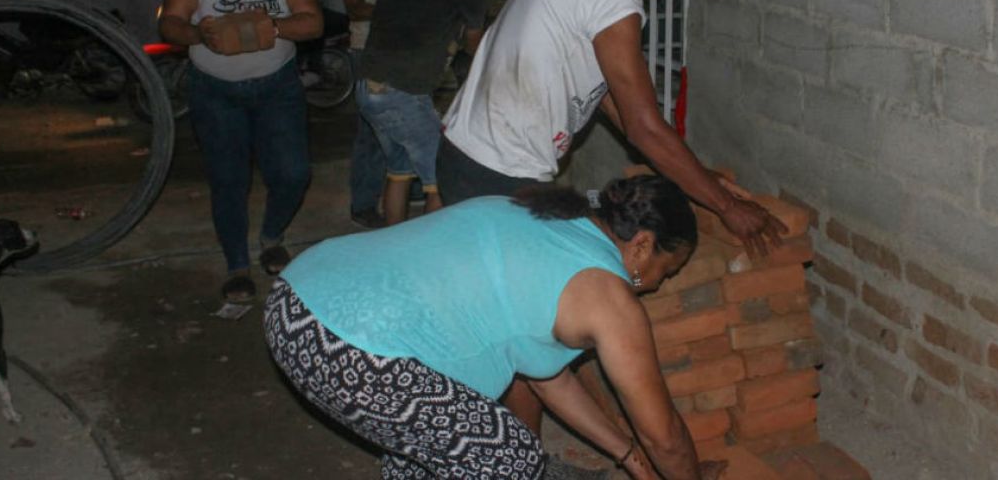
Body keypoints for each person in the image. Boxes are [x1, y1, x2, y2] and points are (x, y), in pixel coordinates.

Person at [438, 0, 785, 430]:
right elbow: (645, 126)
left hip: (470, 153)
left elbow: (615, 103)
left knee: (511, 328)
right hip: (496, 170)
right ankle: (521, 461)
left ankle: (512, 454)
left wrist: (693, 172)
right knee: (526, 335)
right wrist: (725, 205)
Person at [265, 175, 725, 479]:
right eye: (667, 269)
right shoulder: (609, 296)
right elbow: (664, 435)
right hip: (347, 346)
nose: (658, 284)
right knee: (509, 457)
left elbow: (550, 381)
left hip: (296, 301)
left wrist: (630, 460)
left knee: (444, 445)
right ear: (642, 245)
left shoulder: (538, 216)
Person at [158, 0, 323, 303]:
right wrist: (198, 34)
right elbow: (170, 24)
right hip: (216, 92)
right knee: (229, 181)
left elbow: (313, 22)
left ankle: (271, 234)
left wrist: (271, 27)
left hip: (277, 87)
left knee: (292, 172)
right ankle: (236, 264)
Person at [357, 0, 488, 225]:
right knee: (440, 180)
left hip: (367, 84)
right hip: (404, 93)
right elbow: (475, 44)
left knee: (399, 170)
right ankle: (428, 257)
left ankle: (394, 243)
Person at [337, 0, 425, 228]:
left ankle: (411, 185)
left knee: (413, 121)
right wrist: (395, 10)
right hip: (370, 49)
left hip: (408, 47)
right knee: (372, 132)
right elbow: (354, 7)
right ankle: (362, 202)